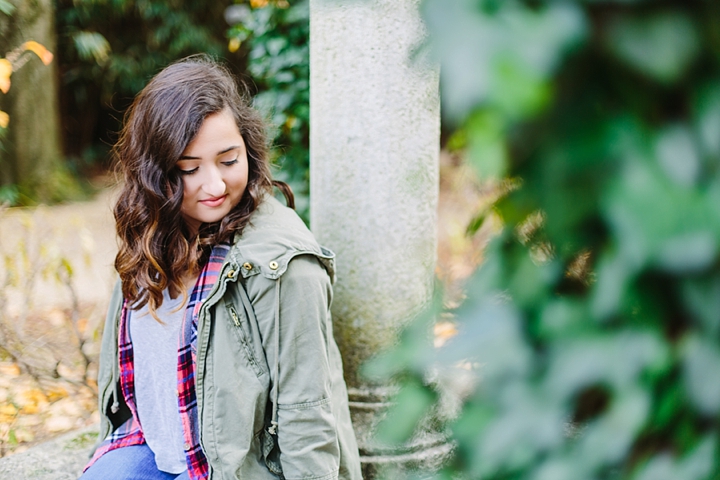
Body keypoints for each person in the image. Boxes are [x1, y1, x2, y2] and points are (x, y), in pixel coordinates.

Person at [80, 55, 362, 480]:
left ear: (248, 149)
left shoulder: (284, 266)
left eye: (229, 161)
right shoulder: (150, 234)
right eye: (189, 169)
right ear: (153, 173)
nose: (214, 186)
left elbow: (309, 411)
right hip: (155, 451)